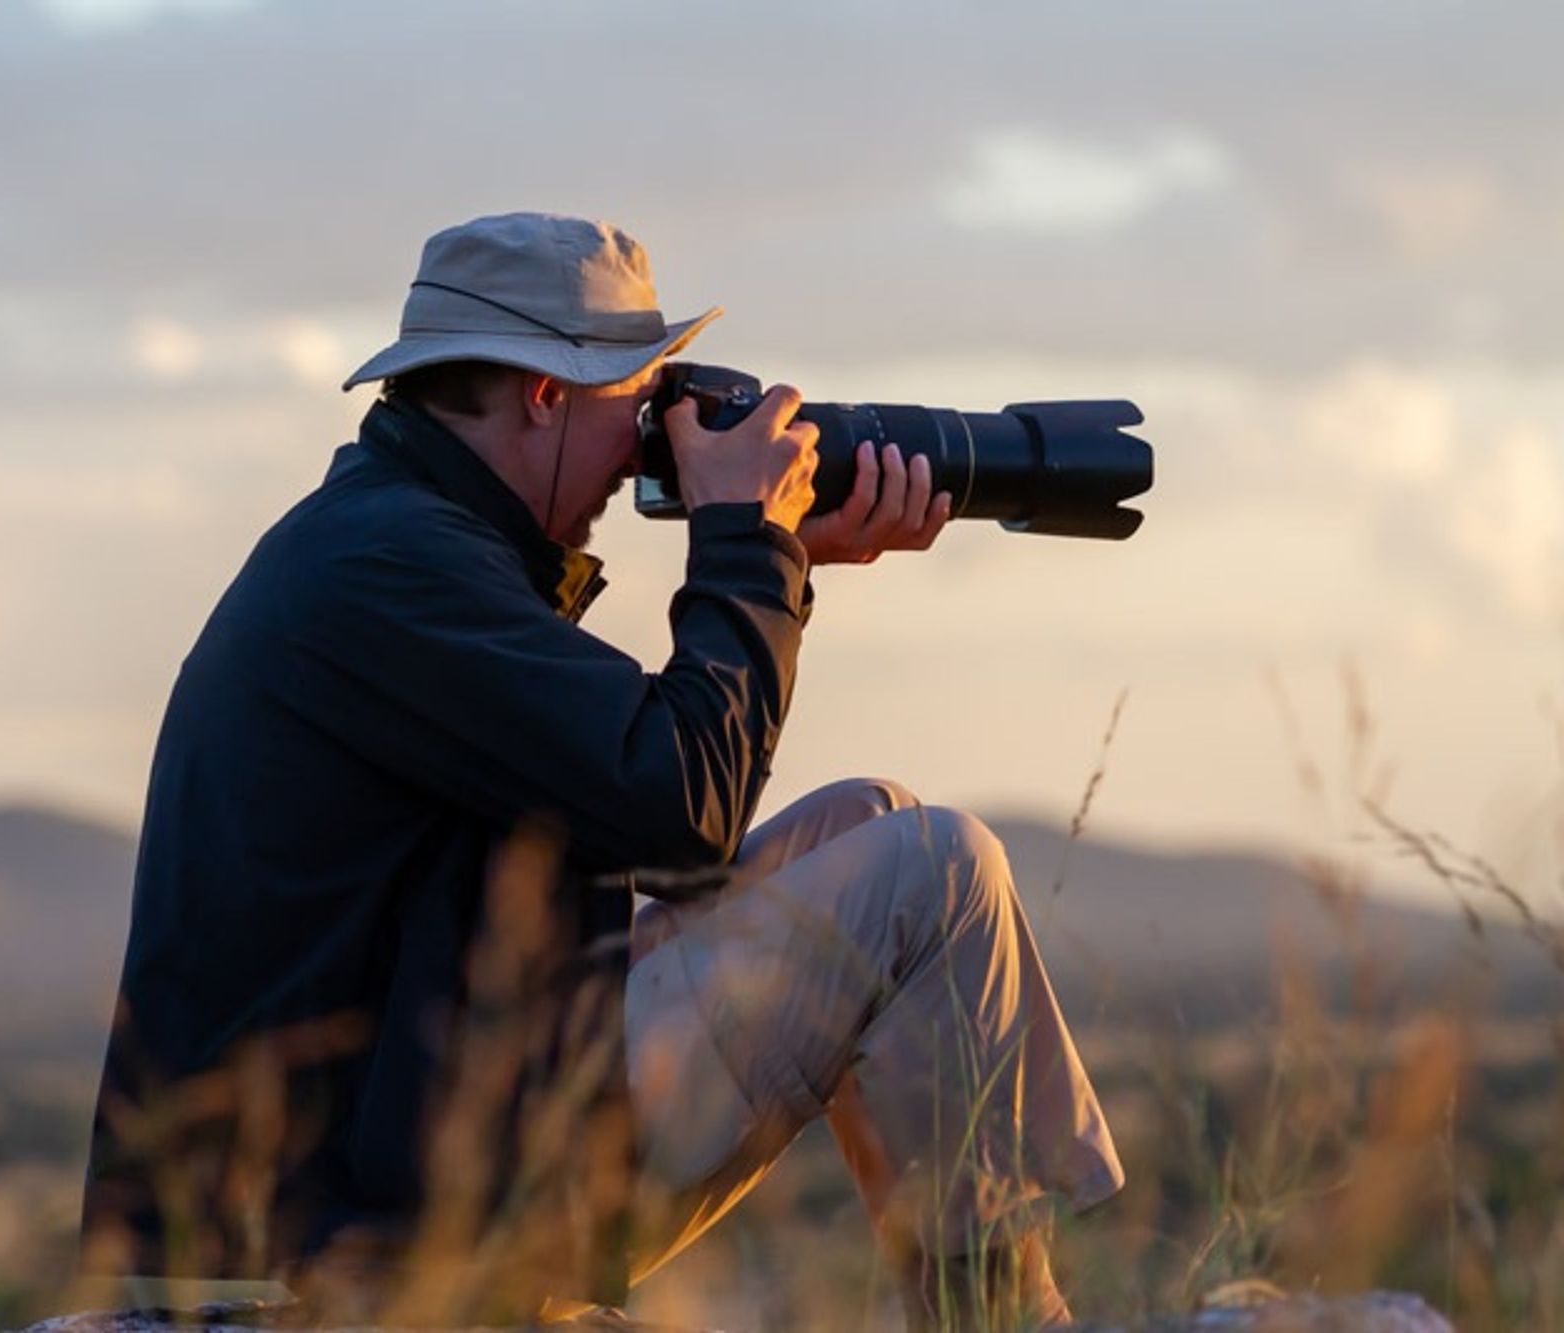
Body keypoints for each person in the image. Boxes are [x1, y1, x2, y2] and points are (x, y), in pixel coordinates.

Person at [80, 212, 1123, 1328]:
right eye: (637, 395)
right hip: (322, 1239)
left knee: (874, 820)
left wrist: (780, 561)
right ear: (543, 393)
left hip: (390, 1154)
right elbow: (679, 806)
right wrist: (743, 547)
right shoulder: (389, 567)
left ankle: (977, 1303)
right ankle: (1001, 1319)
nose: (649, 440)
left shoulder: (386, 542)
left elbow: (638, 825)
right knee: (934, 869)